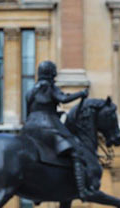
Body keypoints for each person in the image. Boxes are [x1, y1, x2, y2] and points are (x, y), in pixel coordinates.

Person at [22, 60, 91, 200]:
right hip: (47, 125)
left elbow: (29, 110)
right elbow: (63, 99)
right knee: (76, 150)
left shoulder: (30, 91)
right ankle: (82, 190)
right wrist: (81, 94)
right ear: (51, 73)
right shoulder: (50, 87)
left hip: (29, 128)